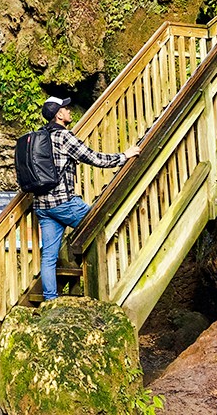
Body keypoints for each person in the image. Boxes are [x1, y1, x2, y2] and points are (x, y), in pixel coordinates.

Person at [33, 95, 141, 301]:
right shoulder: (63, 137)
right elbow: (93, 157)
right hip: (64, 203)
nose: (69, 110)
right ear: (58, 114)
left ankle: (50, 302)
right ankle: (100, 292)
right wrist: (123, 156)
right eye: (65, 108)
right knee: (99, 225)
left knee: (48, 257)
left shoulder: (40, 137)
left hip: (42, 206)